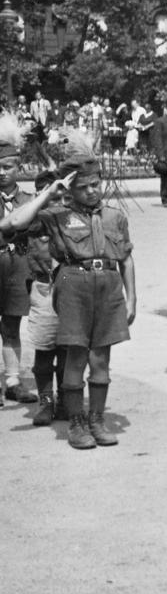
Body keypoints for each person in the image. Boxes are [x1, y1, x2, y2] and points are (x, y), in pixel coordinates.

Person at [0, 151, 136, 450]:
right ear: (70, 189)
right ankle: (76, 423)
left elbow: (126, 258)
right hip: (72, 282)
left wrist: (132, 298)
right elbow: (11, 225)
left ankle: (97, 420)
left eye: (95, 184)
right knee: (75, 354)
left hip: (109, 286)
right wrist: (50, 192)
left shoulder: (114, 215)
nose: (91, 191)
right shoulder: (55, 215)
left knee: (101, 358)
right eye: (83, 186)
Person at [0, 119, 38, 406]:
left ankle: (13, 381)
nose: (2, 173)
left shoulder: (28, 199)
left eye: (8, 167)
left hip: (17, 269)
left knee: (12, 325)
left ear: (19, 168)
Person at [24, 171, 64, 426]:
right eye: (45, 191)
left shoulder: (68, 215)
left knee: (69, 347)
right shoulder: (35, 219)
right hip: (44, 286)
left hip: (71, 286)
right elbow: (16, 226)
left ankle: (68, 397)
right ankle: (46, 400)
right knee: (44, 347)